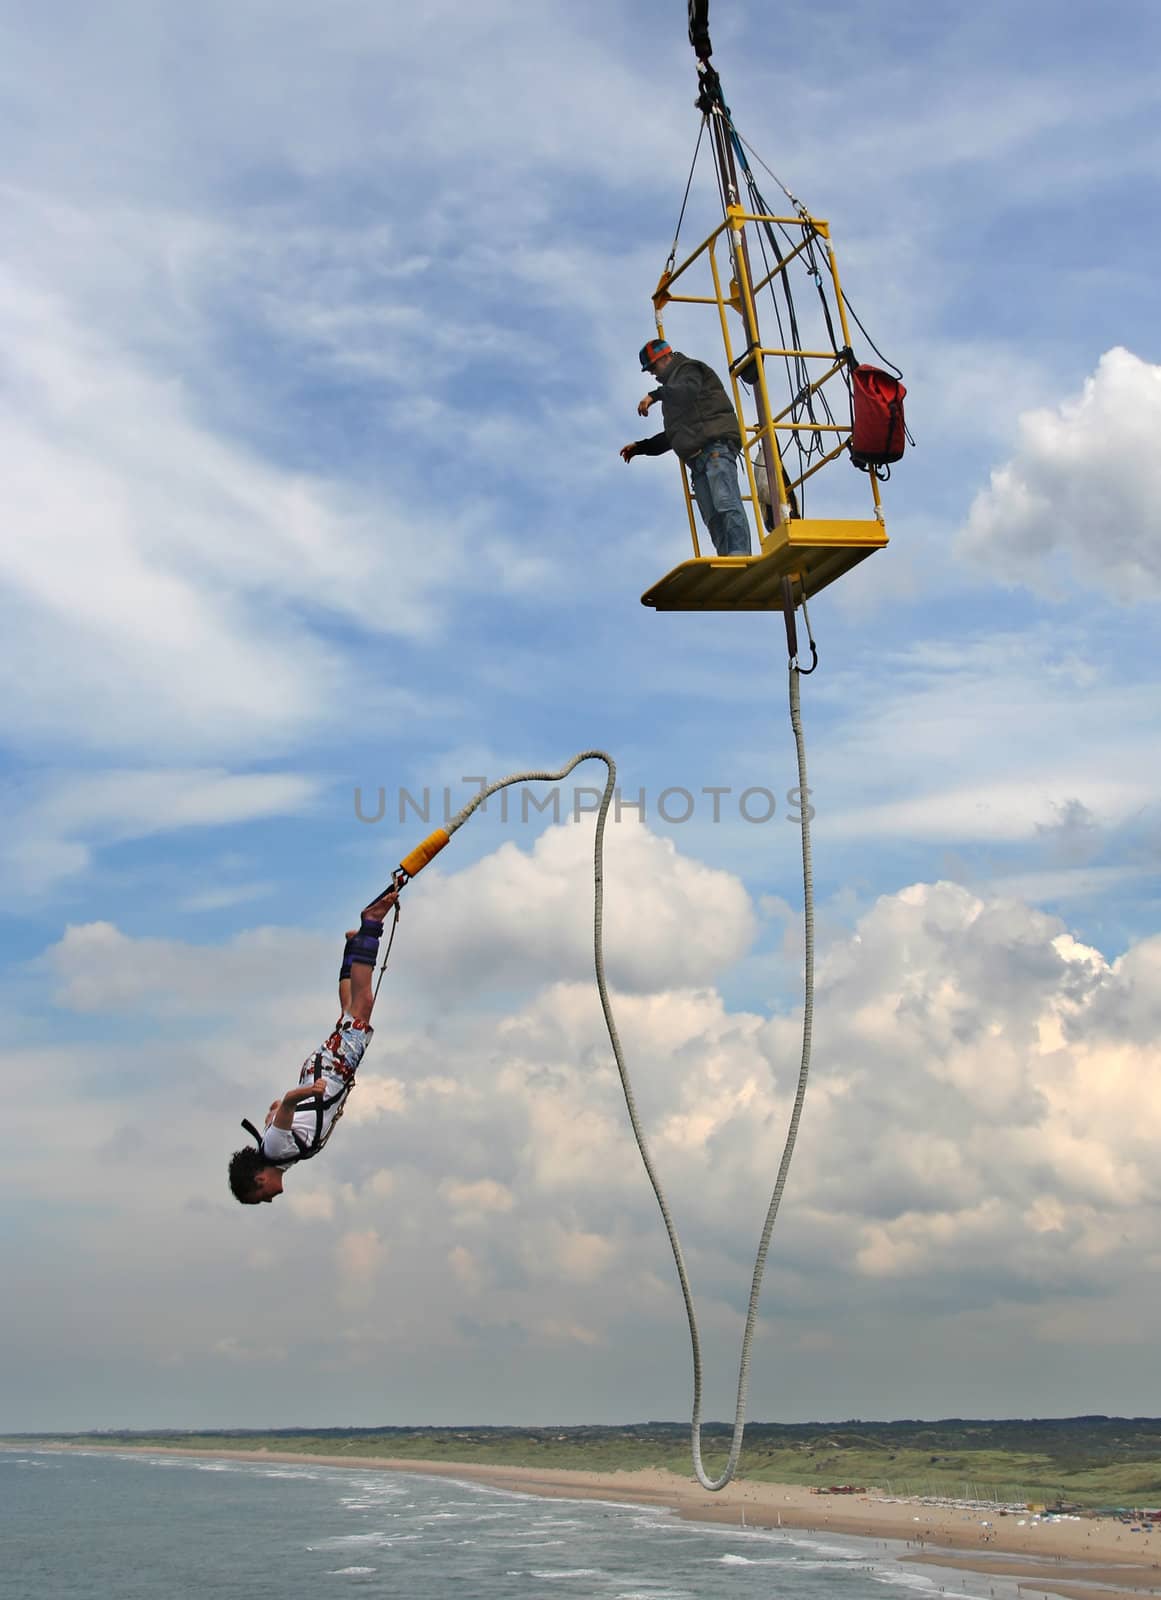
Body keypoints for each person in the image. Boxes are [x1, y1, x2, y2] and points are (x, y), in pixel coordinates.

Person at [227, 886, 401, 1205]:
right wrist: (275, 1113)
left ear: (259, 1179)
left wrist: (311, 1092)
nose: (268, 1200)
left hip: (328, 1074)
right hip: (320, 1070)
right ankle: (353, 947)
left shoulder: (276, 1150)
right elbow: (279, 1113)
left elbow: (289, 1101)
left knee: (361, 1006)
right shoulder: (280, 1155)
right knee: (349, 1014)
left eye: (261, 1196)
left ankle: (372, 923)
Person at [620, 338, 752, 556]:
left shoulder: (689, 369)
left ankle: (740, 555)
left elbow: (686, 391)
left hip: (715, 451)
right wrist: (641, 447)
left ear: (666, 357)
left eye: (653, 367)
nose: (653, 373)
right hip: (698, 462)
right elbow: (673, 435)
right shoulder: (672, 391)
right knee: (713, 517)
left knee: (726, 505)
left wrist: (655, 396)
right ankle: (728, 560)